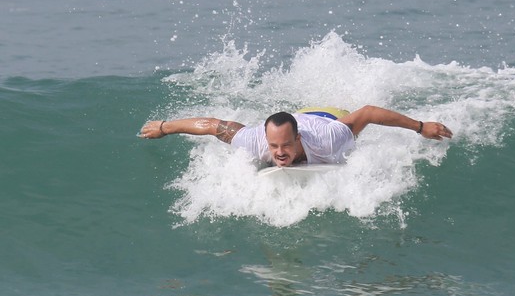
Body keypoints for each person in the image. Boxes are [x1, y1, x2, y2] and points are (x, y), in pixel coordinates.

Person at [138, 105, 453, 167]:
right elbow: (212, 125)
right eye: (274, 146)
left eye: (285, 146)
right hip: (298, 114)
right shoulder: (256, 141)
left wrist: (420, 126)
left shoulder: (329, 139)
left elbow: (369, 112)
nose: (279, 153)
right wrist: (164, 127)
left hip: (328, 113)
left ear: (298, 139)